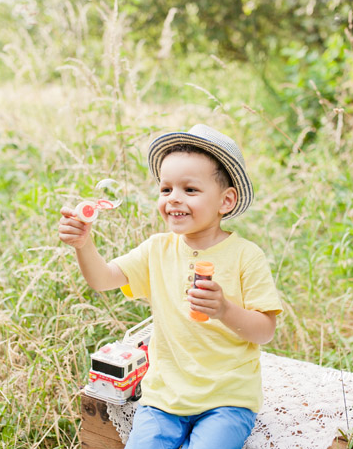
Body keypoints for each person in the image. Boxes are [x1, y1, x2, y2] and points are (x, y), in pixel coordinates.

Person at [58, 124, 283, 449]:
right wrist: (83, 244)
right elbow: (102, 279)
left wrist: (224, 309)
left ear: (226, 200)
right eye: (166, 190)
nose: (174, 199)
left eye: (190, 190)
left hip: (227, 399)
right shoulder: (157, 249)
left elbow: (265, 331)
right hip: (164, 397)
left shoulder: (246, 256)